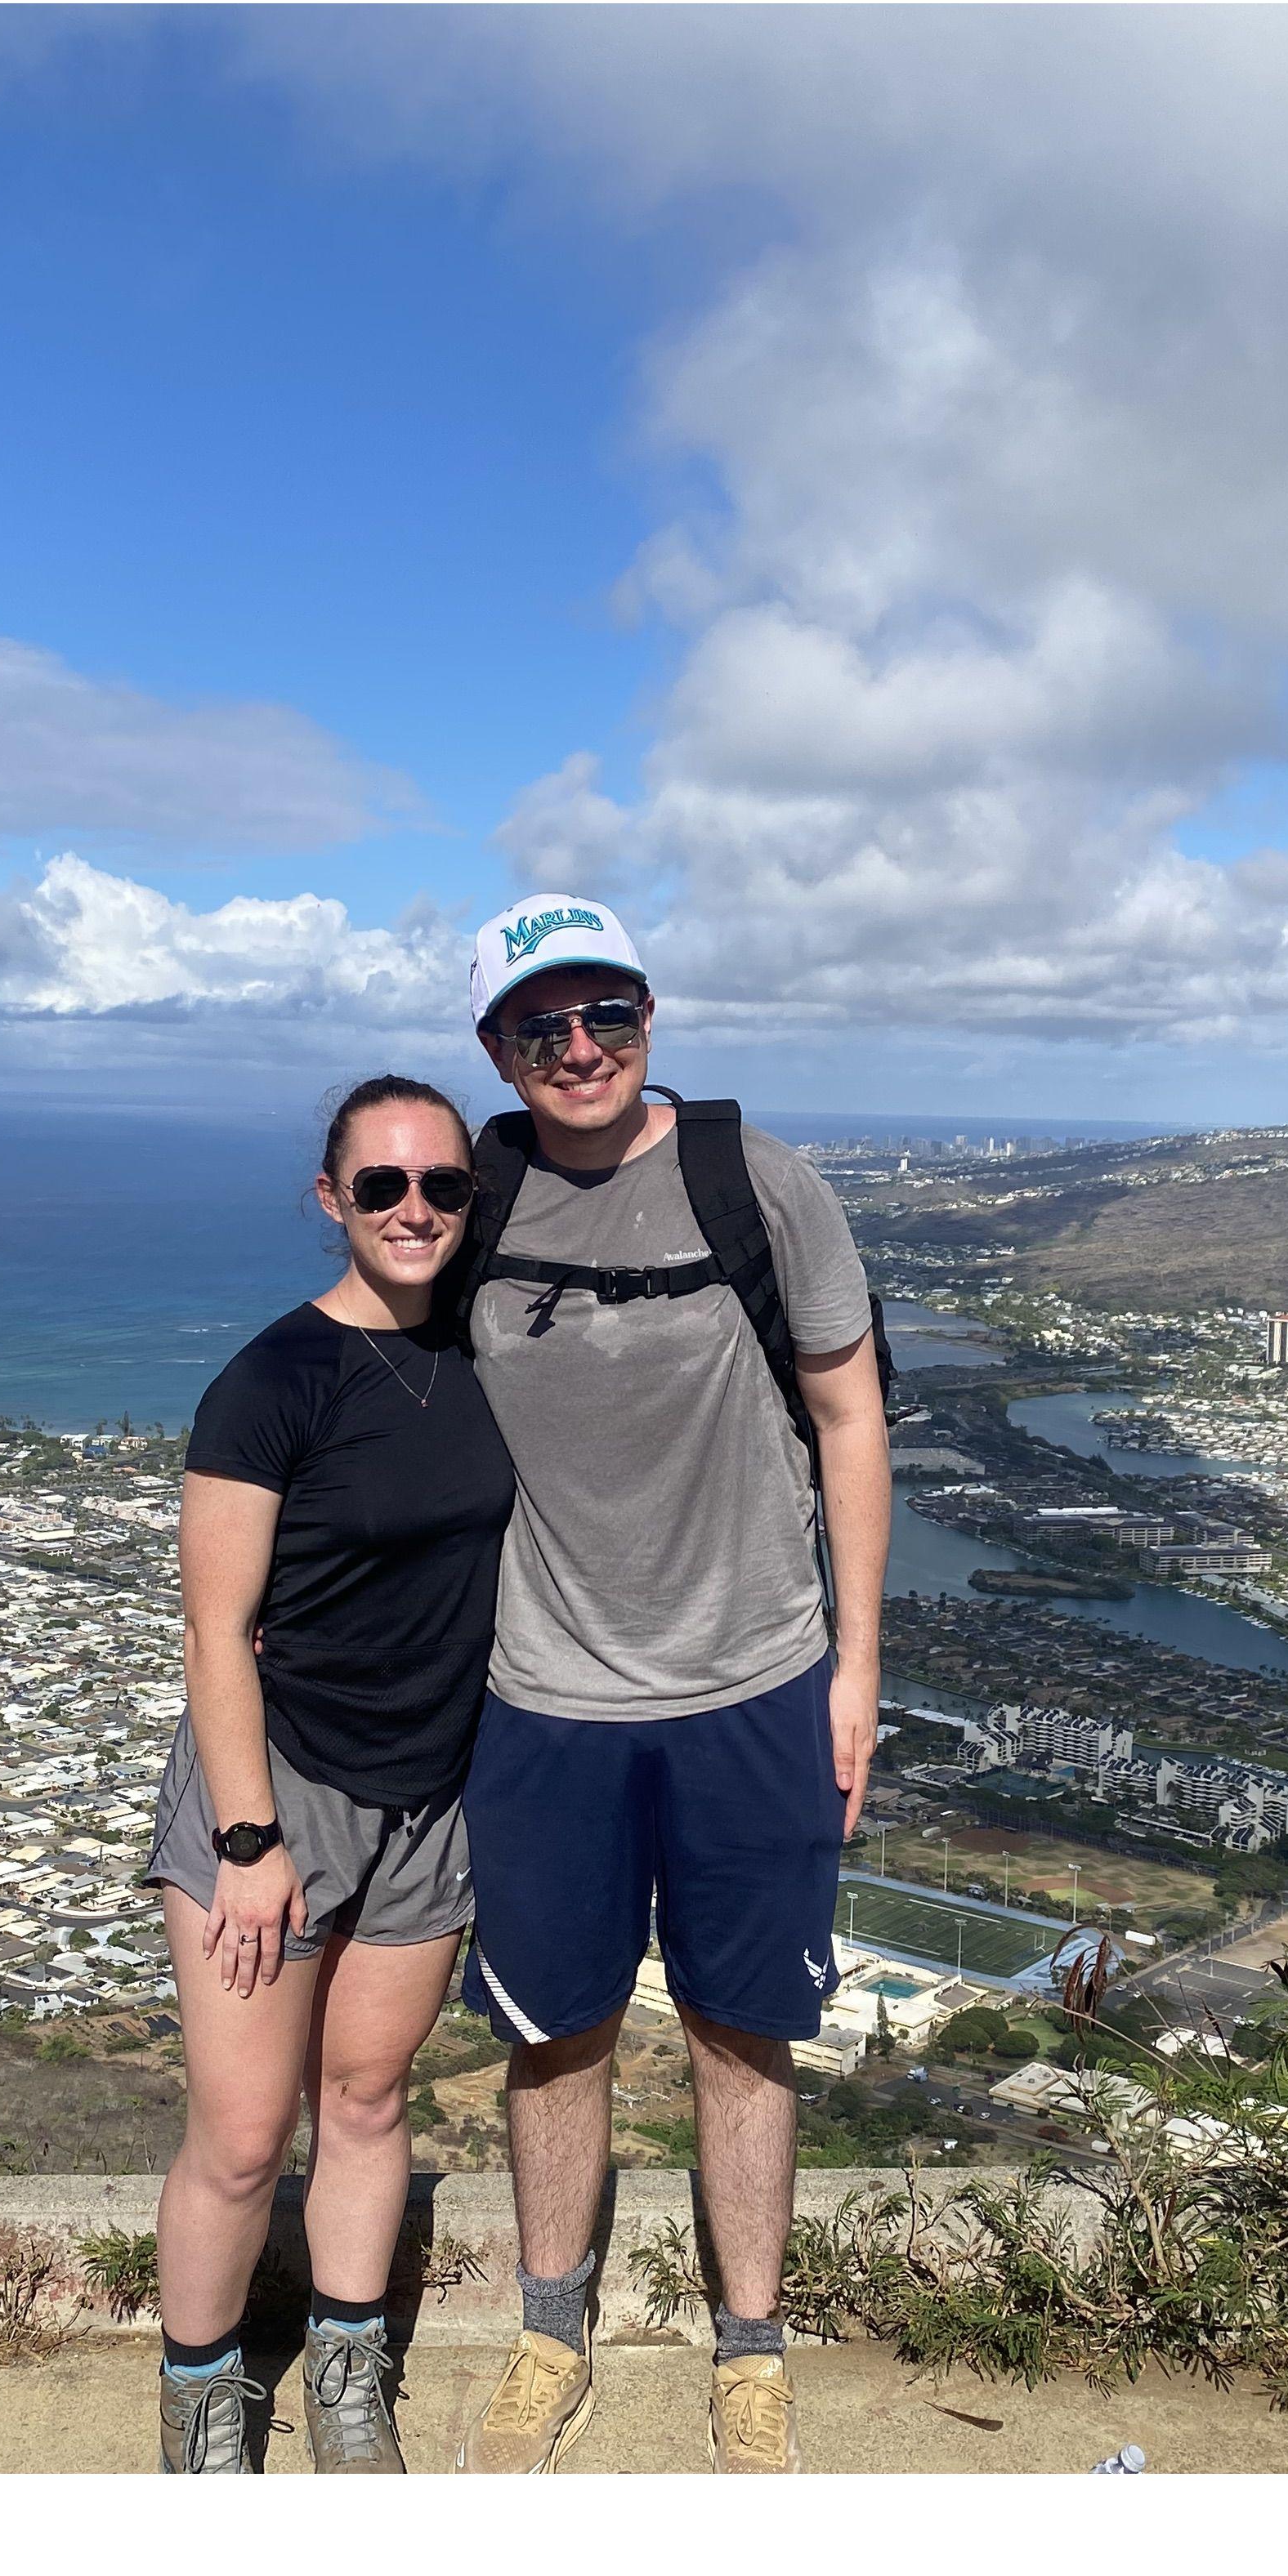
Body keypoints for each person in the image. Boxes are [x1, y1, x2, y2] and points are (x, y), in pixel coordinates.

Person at [442, 895, 890, 2475]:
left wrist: (856, 1667)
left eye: (606, 1014)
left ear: (651, 1017)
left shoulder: (752, 1182)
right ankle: (549, 2330)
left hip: (752, 1679)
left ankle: (748, 2351)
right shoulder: (469, 1196)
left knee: (739, 2025)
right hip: (547, 1693)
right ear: (496, 1049)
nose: (579, 1049)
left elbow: (850, 1420)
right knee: (553, 2032)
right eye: (541, 1026)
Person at [147, 1074, 513, 2475]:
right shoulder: (271, 1383)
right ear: (332, 1201)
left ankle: (347, 2379)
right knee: (243, 2135)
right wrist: (248, 1839)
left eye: (443, 1186)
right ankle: (200, 2402)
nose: (415, 1209)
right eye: (383, 1186)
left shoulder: (484, 1354)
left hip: (432, 1793)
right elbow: (215, 1626)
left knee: (366, 2101)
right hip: (278, 1788)